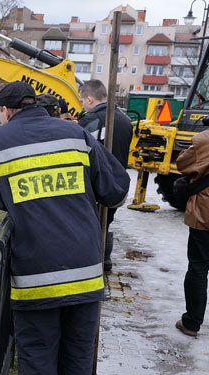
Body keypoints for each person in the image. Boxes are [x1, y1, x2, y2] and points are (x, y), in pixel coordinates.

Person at [0, 82, 130, 375]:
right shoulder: (75, 133)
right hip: (85, 269)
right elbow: (115, 189)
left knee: (38, 353)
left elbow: (1, 201)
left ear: (6, 110)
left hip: (36, 275)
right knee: (77, 352)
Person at [78, 79, 134, 272]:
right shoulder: (124, 120)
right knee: (105, 223)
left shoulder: (91, 120)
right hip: (117, 184)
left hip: (95, 185)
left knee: (90, 228)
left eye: (83, 101)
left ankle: (94, 266)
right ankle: (105, 262)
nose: (83, 105)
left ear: (90, 99)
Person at [174, 98, 209, 337]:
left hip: (205, 214)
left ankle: (192, 322)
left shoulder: (204, 140)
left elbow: (183, 164)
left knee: (199, 267)